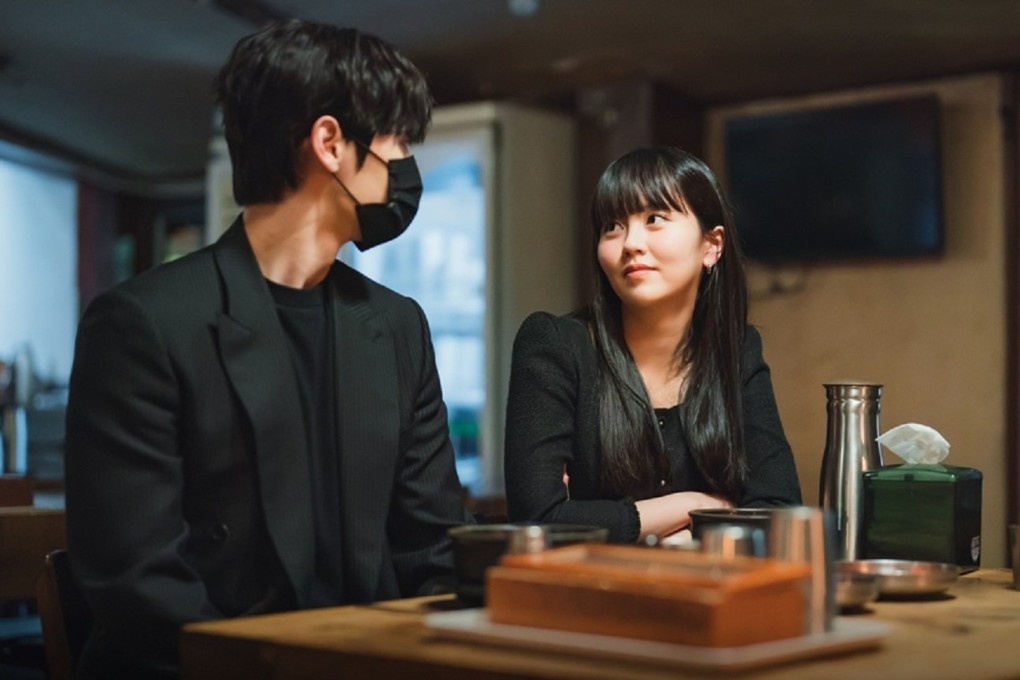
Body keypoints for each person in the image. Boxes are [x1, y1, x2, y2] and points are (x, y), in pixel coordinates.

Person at [64, 20, 471, 679]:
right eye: (397, 139)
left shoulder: (398, 326)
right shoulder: (143, 323)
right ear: (331, 142)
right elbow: (140, 587)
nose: (404, 164)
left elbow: (433, 551)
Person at [504, 146, 801, 544]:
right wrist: (701, 506)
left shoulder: (737, 350)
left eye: (654, 218)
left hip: (707, 597)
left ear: (712, 246)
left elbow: (779, 509)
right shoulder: (555, 346)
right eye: (612, 225)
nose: (630, 243)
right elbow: (537, 521)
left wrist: (614, 524)